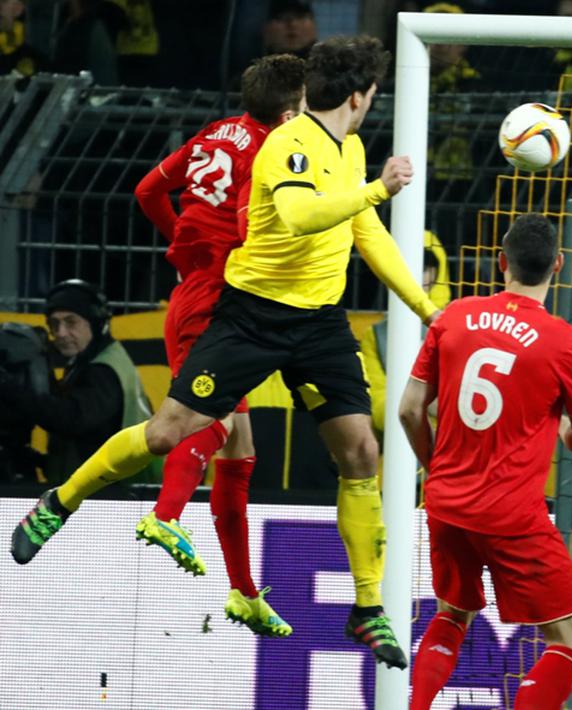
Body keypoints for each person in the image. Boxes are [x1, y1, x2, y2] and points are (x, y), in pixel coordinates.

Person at [10, 35, 439, 670]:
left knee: (361, 451)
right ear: (361, 94)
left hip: (320, 322)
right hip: (254, 316)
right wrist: (377, 188)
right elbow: (298, 216)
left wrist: (428, 312)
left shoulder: (347, 149)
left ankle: (367, 606)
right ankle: (61, 500)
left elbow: (363, 231)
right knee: (166, 434)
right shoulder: (284, 145)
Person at [131, 54, 306, 635]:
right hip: (217, 294)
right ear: (287, 113)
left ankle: (243, 591)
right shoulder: (270, 153)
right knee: (212, 419)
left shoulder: (216, 133)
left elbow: (148, 190)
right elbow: (255, 228)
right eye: (303, 106)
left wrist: (183, 243)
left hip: (194, 286)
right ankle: (165, 514)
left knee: (238, 448)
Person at [399, 213, 572, 710]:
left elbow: (408, 409)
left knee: (452, 613)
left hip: (447, 504)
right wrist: (563, 430)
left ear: (500, 262)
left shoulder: (453, 316)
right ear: (558, 264)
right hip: (512, 515)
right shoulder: (565, 344)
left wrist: (435, 468)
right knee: (571, 637)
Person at [0, 280, 155, 485]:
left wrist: (8, 387)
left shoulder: (103, 372)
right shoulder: (95, 360)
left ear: (96, 323)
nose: (61, 333)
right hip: (110, 490)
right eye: (54, 324)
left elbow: (71, 419)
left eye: (71, 322)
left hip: (117, 500)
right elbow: (88, 446)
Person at [361, 232, 451, 440]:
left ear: (438, 272)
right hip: (398, 449)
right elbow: (378, 412)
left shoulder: (464, 325)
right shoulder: (376, 335)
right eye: (403, 266)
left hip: (455, 452)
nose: (413, 275)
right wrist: (426, 402)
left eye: (422, 267)